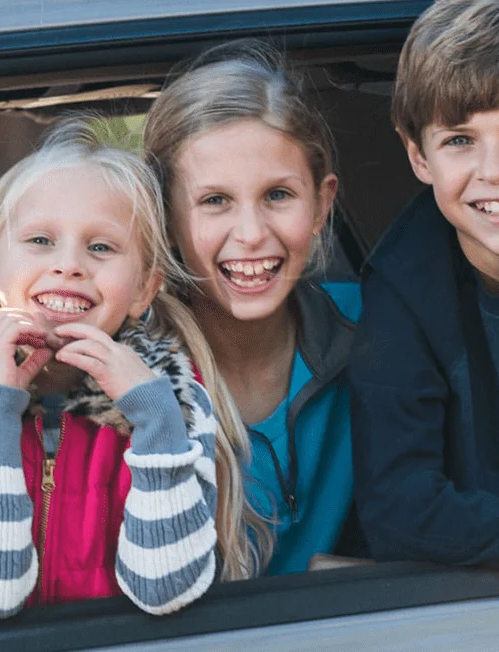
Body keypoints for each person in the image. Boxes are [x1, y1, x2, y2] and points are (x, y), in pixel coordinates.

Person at [0, 120, 269, 619]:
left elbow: (166, 588)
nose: (70, 265)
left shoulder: (170, 400)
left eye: (101, 248)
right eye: (41, 240)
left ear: (143, 290)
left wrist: (155, 420)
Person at [350, 0, 499, 568]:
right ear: (419, 157)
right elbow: (396, 511)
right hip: (463, 604)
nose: (494, 169)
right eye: (459, 139)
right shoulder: (401, 287)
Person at [142, 41, 362, 575]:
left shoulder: (379, 326)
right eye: (214, 201)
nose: (251, 234)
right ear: (167, 220)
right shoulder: (136, 383)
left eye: (278, 195)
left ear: (321, 204)